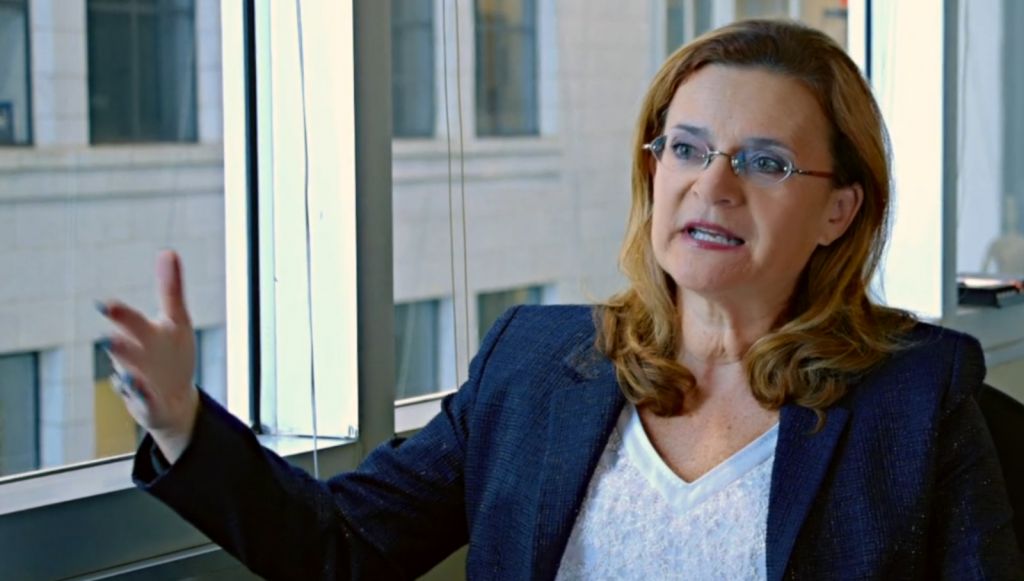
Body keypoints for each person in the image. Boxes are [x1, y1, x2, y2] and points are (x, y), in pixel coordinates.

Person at [97, 19, 1022, 580]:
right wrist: (182, 423)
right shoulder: (534, 362)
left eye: (765, 162)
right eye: (687, 148)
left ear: (838, 209)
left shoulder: (917, 396)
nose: (713, 186)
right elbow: (340, 551)